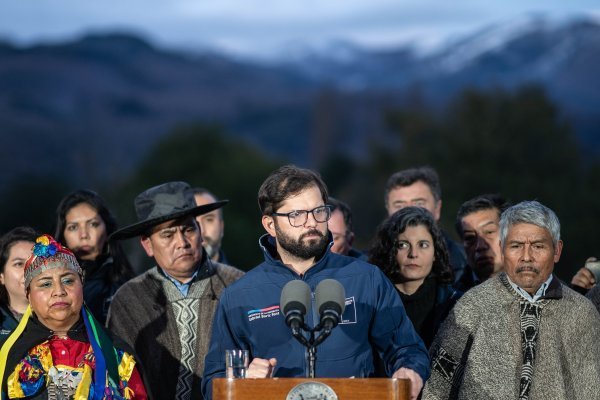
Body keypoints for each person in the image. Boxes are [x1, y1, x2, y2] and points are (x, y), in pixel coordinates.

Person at [202, 165, 430, 400]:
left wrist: (410, 370)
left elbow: (407, 349)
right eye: (296, 215)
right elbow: (214, 383)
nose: (311, 223)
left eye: (319, 211)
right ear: (270, 225)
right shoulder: (239, 295)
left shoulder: (367, 279)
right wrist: (243, 381)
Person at [422, 201, 600, 400]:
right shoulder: (472, 306)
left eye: (538, 246)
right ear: (502, 248)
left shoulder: (580, 312)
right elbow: (436, 387)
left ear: (557, 250)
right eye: (516, 246)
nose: (526, 257)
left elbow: (591, 390)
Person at [107, 181, 244, 400]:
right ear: (148, 245)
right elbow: (117, 379)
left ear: (200, 232)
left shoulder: (237, 285)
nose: (182, 242)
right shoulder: (128, 300)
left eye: (188, 229)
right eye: (168, 235)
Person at [0, 234, 147, 399]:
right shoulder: (10, 356)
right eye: (46, 284)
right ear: (29, 295)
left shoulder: (115, 354)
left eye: (68, 281)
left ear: (82, 285)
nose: (59, 291)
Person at [369, 207, 461, 348]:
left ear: (435, 252)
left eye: (423, 245)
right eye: (403, 245)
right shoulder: (371, 301)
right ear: (390, 251)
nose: (413, 254)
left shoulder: (455, 304)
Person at [54, 189, 134, 325]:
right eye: (73, 227)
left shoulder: (128, 287)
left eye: (93, 224)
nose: (84, 234)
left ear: (107, 228)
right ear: (62, 234)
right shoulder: (49, 286)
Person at [385, 167, 467, 281]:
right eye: (399, 206)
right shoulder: (367, 268)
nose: (409, 211)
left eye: (419, 203)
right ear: (388, 211)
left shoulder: (467, 263)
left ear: (437, 209)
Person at [454, 194, 510, 292]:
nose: (480, 246)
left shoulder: (540, 290)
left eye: (489, 232)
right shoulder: (451, 301)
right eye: (470, 237)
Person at [0, 227, 39, 342]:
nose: (28, 270)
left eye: (35, 262)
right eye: (19, 264)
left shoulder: (65, 317)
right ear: (1, 276)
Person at [190, 188, 229, 264]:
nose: (201, 231)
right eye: (192, 222)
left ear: (221, 227)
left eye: (209, 220)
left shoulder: (245, 276)